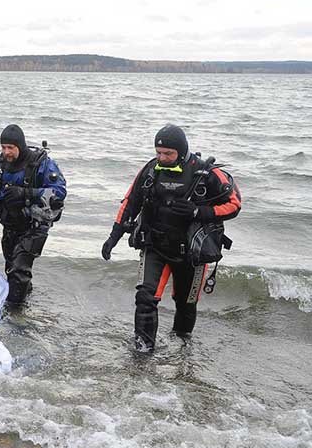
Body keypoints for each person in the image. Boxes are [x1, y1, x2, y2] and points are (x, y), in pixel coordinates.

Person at [100, 124, 242, 352]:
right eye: (159, 153)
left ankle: (181, 350)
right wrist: (113, 237)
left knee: (186, 304)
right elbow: (130, 203)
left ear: (182, 151)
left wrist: (198, 211)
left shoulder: (207, 173)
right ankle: (142, 352)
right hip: (155, 245)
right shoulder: (149, 170)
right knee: (145, 298)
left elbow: (234, 204)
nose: (162, 158)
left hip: (192, 253)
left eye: (168, 153)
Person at [0, 124, 67, 308]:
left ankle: (15, 316)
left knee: (18, 272)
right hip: (11, 224)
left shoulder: (41, 164)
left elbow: (58, 193)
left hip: (35, 226)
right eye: (3, 148)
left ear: (20, 145)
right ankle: (26, 303)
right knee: (12, 271)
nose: (6, 153)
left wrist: (26, 193)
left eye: (10, 148)